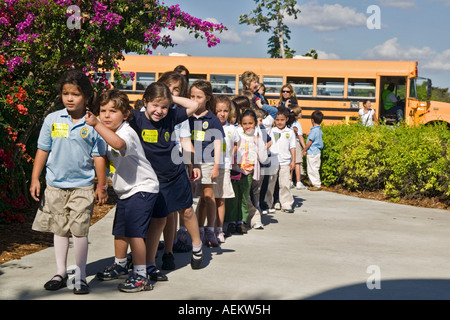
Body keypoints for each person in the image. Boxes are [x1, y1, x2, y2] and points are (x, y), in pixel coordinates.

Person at [30, 70, 108, 294]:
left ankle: (81, 275)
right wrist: (35, 178)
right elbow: (43, 149)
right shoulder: (52, 119)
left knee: (80, 231)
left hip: (82, 186)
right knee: (60, 229)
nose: (70, 98)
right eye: (66, 93)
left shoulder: (93, 123)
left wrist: (101, 186)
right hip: (55, 185)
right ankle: (61, 272)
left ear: (86, 96)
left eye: (75, 94)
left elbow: (99, 157)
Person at [85, 89, 160, 292]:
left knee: (135, 233)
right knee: (120, 231)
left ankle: (141, 275)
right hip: (126, 190)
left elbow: (118, 144)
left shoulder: (126, 132)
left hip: (143, 188)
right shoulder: (108, 132)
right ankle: (120, 265)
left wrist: (97, 124)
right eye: (103, 111)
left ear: (125, 115)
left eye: (113, 111)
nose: (107, 115)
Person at [129, 82, 204, 271]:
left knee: (186, 211)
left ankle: (197, 247)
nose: (159, 111)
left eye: (164, 106)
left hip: (175, 174)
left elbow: (193, 106)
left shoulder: (172, 116)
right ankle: (149, 260)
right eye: (155, 105)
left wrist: (170, 98)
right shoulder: (136, 118)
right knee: (157, 219)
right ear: (145, 102)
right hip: (152, 178)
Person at [189, 80, 225, 247]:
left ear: (207, 98)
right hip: (188, 162)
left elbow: (218, 144)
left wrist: (216, 166)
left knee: (209, 197)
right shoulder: (185, 117)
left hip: (208, 161)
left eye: (199, 97)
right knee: (193, 199)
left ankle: (210, 230)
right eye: (192, 96)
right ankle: (192, 230)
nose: (195, 100)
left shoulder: (213, 119)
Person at [225, 109, 268, 235]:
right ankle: (232, 222)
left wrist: (259, 142)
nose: (248, 126)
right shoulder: (237, 135)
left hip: (248, 173)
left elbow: (264, 157)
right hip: (235, 171)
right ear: (240, 124)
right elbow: (229, 148)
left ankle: (242, 221)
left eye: (250, 123)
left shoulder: (257, 138)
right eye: (244, 123)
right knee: (233, 198)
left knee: (244, 198)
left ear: (256, 123)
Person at [213, 95, 239, 243]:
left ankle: (219, 229)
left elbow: (236, 145)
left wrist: (229, 155)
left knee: (221, 200)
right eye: (218, 111)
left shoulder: (232, 129)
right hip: (211, 166)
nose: (222, 114)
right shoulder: (210, 126)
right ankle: (205, 228)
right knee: (208, 199)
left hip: (224, 167)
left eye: (225, 111)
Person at [265, 107, 296, 213]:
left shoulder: (290, 132)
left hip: (285, 162)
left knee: (285, 184)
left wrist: (293, 161)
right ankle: (268, 203)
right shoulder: (271, 131)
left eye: (282, 120)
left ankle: (286, 204)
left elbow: (293, 147)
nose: (279, 122)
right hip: (273, 161)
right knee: (270, 183)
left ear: (286, 119)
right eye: (277, 120)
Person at [302, 110, 324, 191]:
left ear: (312, 120)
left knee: (312, 169)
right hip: (317, 152)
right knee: (315, 168)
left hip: (312, 152)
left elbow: (310, 142)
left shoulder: (314, 131)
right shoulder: (318, 130)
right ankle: (314, 184)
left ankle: (316, 184)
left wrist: (304, 150)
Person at [289, 106, 307, 189]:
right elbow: (300, 136)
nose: (302, 113)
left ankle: (290, 181)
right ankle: (299, 182)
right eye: (300, 112)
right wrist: (304, 147)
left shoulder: (288, 122)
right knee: (297, 163)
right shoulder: (297, 123)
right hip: (295, 143)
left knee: (290, 162)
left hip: (288, 143)